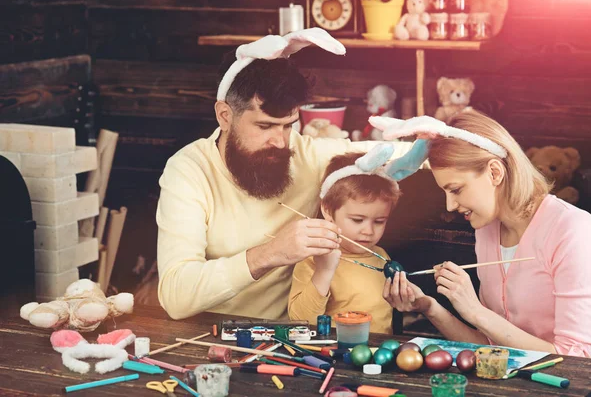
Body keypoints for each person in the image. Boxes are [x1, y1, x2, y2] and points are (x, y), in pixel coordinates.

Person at [155, 29, 424, 320]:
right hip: (207, 335)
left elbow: (396, 152)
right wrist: (272, 253)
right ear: (224, 116)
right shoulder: (188, 170)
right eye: (265, 126)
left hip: (284, 341)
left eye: (288, 125)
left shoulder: (305, 153)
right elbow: (176, 296)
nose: (281, 142)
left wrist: (450, 148)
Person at [377, 111, 591, 357]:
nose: (450, 205)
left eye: (456, 189)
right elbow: (491, 347)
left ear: (495, 172)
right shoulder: (487, 230)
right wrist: (430, 308)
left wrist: (475, 311)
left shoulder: (572, 230)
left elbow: (576, 358)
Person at [288, 147, 402, 334]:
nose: (368, 231)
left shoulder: (381, 256)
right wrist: (324, 271)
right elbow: (301, 321)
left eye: (379, 221)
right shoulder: (313, 259)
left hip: (378, 353)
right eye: (357, 220)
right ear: (327, 210)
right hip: (334, 356)